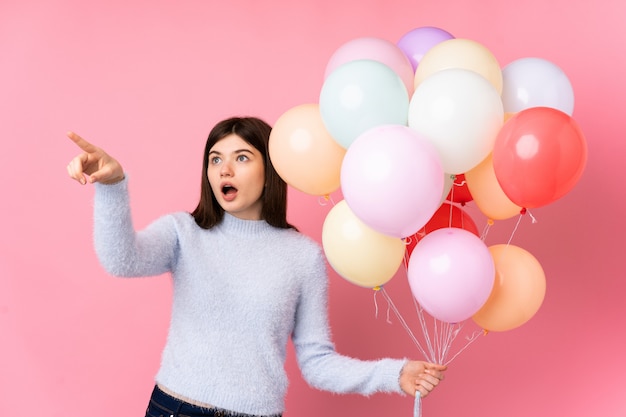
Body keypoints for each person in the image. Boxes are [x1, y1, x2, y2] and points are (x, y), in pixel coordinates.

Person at [66, 116, 446, 417]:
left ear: (271, 170)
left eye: (241, 158)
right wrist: (113, 184)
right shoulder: (184, 232)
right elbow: (121, 261)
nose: (224, 170)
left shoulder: (302, 256)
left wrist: (394, 375)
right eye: (215, 159)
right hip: (175, 409)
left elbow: (317, 363)